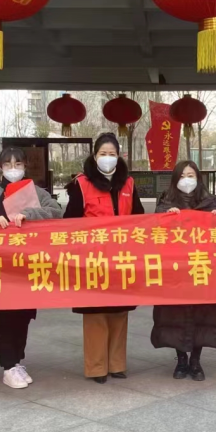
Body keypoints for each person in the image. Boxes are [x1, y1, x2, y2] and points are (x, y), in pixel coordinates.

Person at [0, 147, 62, 389]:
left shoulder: (36, 192)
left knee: (24, 315)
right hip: (1, 266)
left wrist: (29, 213)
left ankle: (17, 361)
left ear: (25, 167)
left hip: (28, 266)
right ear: (0, 168)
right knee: (5, 317)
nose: (13, 169)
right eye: (8, 165)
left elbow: (56, 211)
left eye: (18, 164)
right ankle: (7, 366)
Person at [65, 133, 144, 383]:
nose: (107, 158)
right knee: (96, 313)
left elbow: (140, 217)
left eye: (112, 154)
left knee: (120, 312)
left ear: (119, 156)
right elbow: (69, 222)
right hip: (92, 260)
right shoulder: (81, 184)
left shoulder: (128, 183)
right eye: (103, 154)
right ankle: (97, 367)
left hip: (121, 258)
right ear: (94, 155)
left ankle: (117, 364)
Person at [151, 161, 216, 381]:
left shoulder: (212, 202)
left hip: (203, 268)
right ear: (175, 179)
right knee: (175, 314)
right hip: (176, 270)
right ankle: (181, 359)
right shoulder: (165, 203)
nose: (187, 180)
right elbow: (154, 233)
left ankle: (196, 360)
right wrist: (166, 219)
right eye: (182, 176)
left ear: (198, 178)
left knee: (203, 314)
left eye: (191, 175)